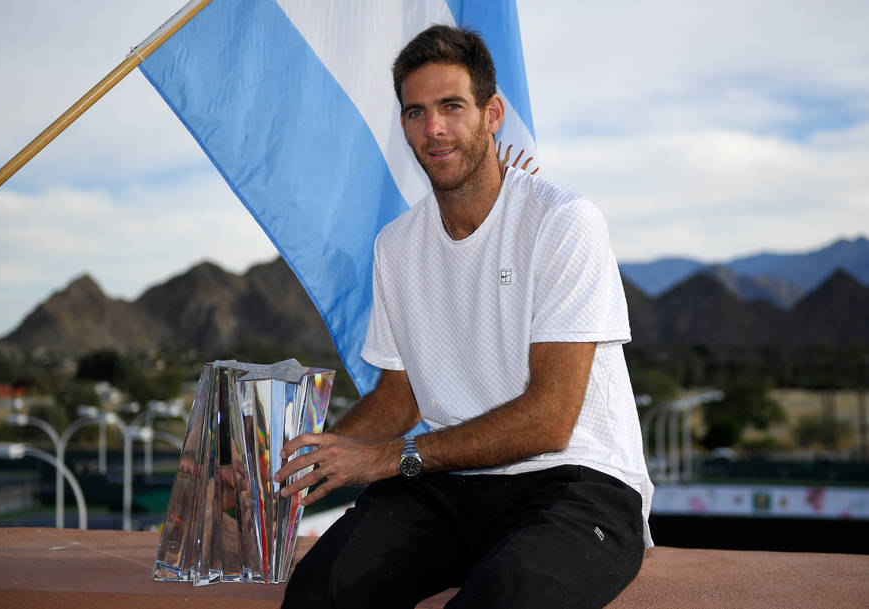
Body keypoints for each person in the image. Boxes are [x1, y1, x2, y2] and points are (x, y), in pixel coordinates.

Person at [276, 24, 653, 609]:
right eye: (416, 112)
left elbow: (550, 420)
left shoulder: (562, 221)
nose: (433, 128)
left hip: (575, 484)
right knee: (319, 593)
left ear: (492, 113)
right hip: (448, 485)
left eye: (452, 106)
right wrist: (288, 469)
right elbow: (398, 401)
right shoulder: (396, 246)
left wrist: (395, 457)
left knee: (503, 598)